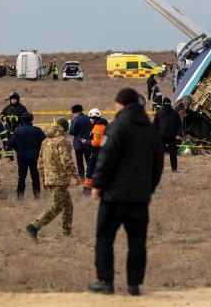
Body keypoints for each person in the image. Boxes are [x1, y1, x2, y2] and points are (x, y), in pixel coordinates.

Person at [88, 88, 164, 296]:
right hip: (140, 198)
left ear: (122, 104)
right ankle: (134, 284)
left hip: (114, 196)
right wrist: (149, 189)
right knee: (137, 242)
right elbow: (158, 164)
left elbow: (106, 159)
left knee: (104, 238)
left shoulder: (117, 127)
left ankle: (106, 281)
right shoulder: (150, 130)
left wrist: (97, 185)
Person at [26, 119, 79, 240]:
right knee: (57, 207)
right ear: (65, 129)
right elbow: (66, 160)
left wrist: (43, 179)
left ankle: (66, 233)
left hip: (50, 179)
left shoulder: (45, 141)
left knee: (68, 205)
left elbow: (40, 162)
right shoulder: (62, 141)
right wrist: (75, 176)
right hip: (59, 180)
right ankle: (34, 226)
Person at [7, 113, 46, 199]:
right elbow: (45, 143)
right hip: (34, 157)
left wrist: (18, 150)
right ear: (31, 120)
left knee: (22, 177)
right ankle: (37, 195)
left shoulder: (18, 131)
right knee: (35, 177)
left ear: (22, 120)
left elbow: (10, 144)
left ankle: (20, 196)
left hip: (22, 157)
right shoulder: (37, 130)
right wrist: (38, 150)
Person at [154, 97, 183, 172]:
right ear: (163, 104)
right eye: (166, 104)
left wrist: (178, 134)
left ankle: (174, 169)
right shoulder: (159, 113)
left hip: (172, 137)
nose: (167, 105)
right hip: (161, 137)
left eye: (168, 104)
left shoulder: (175, 113)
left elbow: (179, 124)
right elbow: (155, 125)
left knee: (173, 154)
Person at [84, 108, 109, 194]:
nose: (89, 120)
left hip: (97, 152)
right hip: (103, 151)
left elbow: (96, 143)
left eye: (90, 118)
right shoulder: (103, 125)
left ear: (93, 118)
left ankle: (88, 189)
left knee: (90, 169)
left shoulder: (98, 127)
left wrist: (86, 142)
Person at [0, 92, 29, 162]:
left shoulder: (22, 108)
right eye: (12, 99)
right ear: (10, 100)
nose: (13, 100)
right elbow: (1, 116)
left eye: (15, 99)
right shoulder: (7, 108)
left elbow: (26, 117)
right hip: (8, 128)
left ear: (17, 99)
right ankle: (9, 157)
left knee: (20, 144)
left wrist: (16, 118)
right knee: (7, 143)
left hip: (19, 128)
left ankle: (22, 156)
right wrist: (5, 118)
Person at [69, 104, 93, 181]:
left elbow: (72, 132)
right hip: (88, 143)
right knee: (89, 161)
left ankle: (82, 179)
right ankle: (90, 177)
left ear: (74, 112)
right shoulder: (88, 118)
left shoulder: (75, 120)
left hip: (78, 145)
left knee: (80, 163)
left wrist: (72, 122)